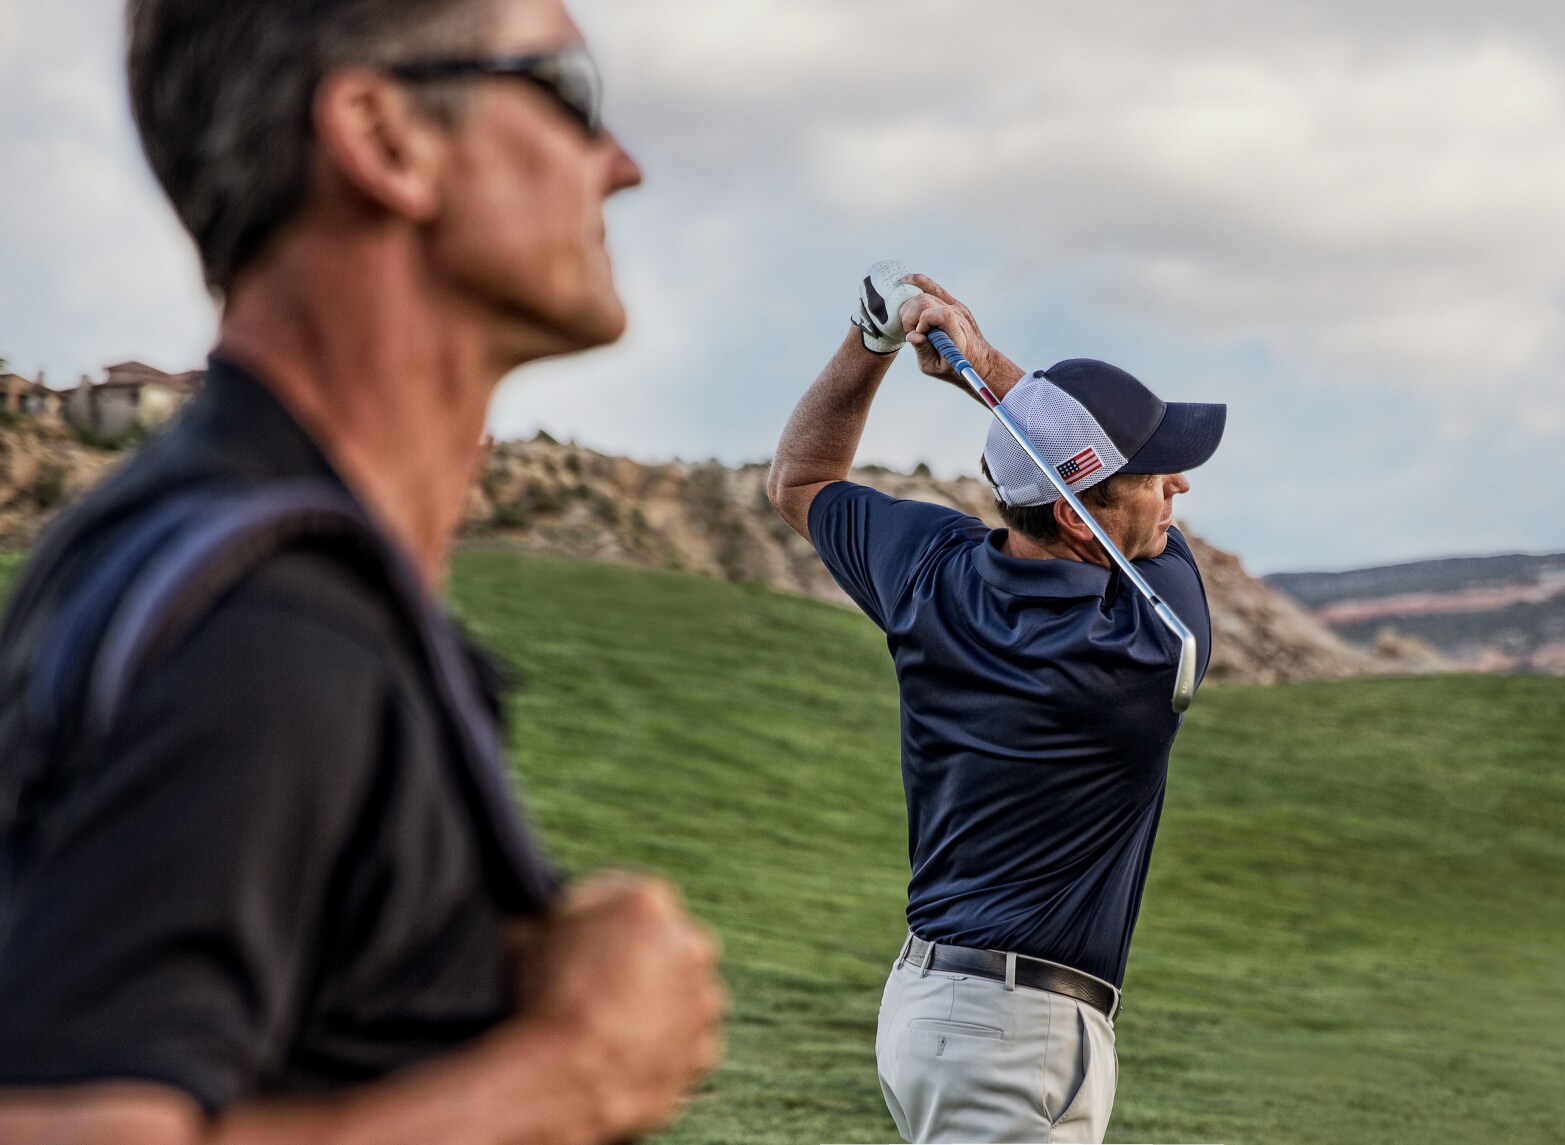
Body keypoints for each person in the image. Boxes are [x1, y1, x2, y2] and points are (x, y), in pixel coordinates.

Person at [0, 0, 724, 1141]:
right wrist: (570, 1073)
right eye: (570, 94)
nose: (619, 165)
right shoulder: (269, 626)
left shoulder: (195, 559)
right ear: (385, 141)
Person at [768, 268, 1227, 1144]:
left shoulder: (929, 571)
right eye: (1152, 474)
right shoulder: (1148, 641)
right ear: (1078, 515)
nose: (1177, 488)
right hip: (1010, 1035)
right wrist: (988, 369)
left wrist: (869, 341)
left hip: (951, 1013)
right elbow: (1142, 534)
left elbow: (799, 478)